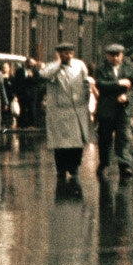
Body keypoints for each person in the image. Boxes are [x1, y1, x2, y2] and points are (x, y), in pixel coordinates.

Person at [42, 41, 94, 193]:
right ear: (59, 54)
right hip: (59, 111)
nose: (68, 55)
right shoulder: (52, 67)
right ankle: (61, 169)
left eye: (70, 52)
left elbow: (86, 83)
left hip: (77, 109)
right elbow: (44, 75)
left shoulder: (79, 65)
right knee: (61, 144)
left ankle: (74, 167)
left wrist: (86, 100)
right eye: (64, 53)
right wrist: (58, 65)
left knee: (77, 142)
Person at [94, 43, 133, 181]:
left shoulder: (130, 68)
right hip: (106, 108)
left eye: (118, 55)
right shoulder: (101, 69)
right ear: (107, 55)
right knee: (105, 138)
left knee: (124, 137)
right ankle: (104, 162)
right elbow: (100, 84)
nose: (115, 58)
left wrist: (127, 97)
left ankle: (124, 164)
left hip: (123, 109)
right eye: (112, 55)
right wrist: (118, 84)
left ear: (122, 55)